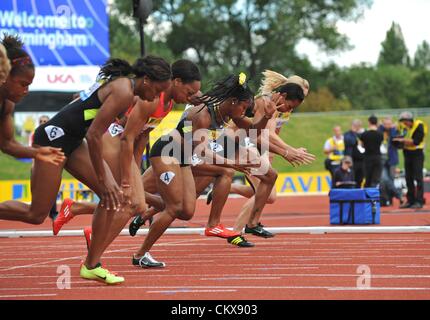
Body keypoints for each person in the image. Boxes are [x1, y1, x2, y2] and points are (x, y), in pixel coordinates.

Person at [0, 55, 172, 284]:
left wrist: (108, 182)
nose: (158, 96)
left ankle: (92, 265)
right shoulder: (124, 92)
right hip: (55, 140)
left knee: (114, 198)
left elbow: (80, 104)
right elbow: (93, 135)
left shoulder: (123, 86)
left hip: (73, 140)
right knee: (36, 214)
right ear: (148, 80)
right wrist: (105, 177)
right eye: (159, 90)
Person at [131, 73, 278, 266]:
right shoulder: (203, 114)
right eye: (243, 107)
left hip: (184, 157)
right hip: (167, 151)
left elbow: (253, 131)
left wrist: (267, 116)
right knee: (182, 201)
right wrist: (231, 163)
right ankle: (142, 253)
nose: (244, 113)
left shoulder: (227, 112)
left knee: (185, 212)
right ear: (233, 101)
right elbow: (202, 152)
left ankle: (143, 198)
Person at [229, 71, 314, 240]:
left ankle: (227, 194)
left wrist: (271, 152)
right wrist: (289, 151)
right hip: (235, 142)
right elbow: (265, 133)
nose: (300, 101)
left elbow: (273, 131)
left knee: (268, 191)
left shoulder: (284, 108)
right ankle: (238, 231)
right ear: (286, 92)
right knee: (266, 188)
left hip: (251, 144)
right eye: (299, 95)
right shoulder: (268, 102)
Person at [0, 34, 64, 165]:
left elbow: (7, 144)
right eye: (23, 84)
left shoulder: (7, 105)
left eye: (29, 85)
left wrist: (37, 152)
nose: (26, 91)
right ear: (5, 74)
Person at [394, 111, 428, 209]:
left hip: (417, 153)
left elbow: (416, 142)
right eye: (402, 122)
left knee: (418, 177)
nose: (404, 124)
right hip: (407, 153)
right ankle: (410, 200)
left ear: (410, 120)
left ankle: (419, 201)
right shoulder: (402, 126)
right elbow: (398, 137)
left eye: (405, 121)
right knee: (408, 177)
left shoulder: (419, 125)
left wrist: (402, 141)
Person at [378, 116, 404, 206]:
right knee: (383, 179)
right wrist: (381, 127)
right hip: (381, 158)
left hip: (392, 159)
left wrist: (393, 128)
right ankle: (397, 195)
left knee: (391, 179)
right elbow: (378, 132)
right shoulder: (380, 130)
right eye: (385, 124)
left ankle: (390, 199)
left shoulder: (394, 130)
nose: (387, 126)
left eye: (389, 124)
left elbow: (395, 139)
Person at [361, 115, 383, 188]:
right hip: (377, 157)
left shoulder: (364, 134)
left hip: (368, 157)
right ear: (376, 123)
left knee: (368, 178)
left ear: (369, 122)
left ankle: (367, 197)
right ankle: (374, 195)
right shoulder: (380, 134)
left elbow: (362, 145)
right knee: (376, 179)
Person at [344, 119, 365, 188]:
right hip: (352, 160)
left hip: (361, 160)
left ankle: (358, 196)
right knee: (351, 179)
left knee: (360, 179)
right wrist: (354, 133)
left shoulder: (361, 134)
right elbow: (351, 142)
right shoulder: (348, 134)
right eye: (357, 126)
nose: (359, 128)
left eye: (359, 126)